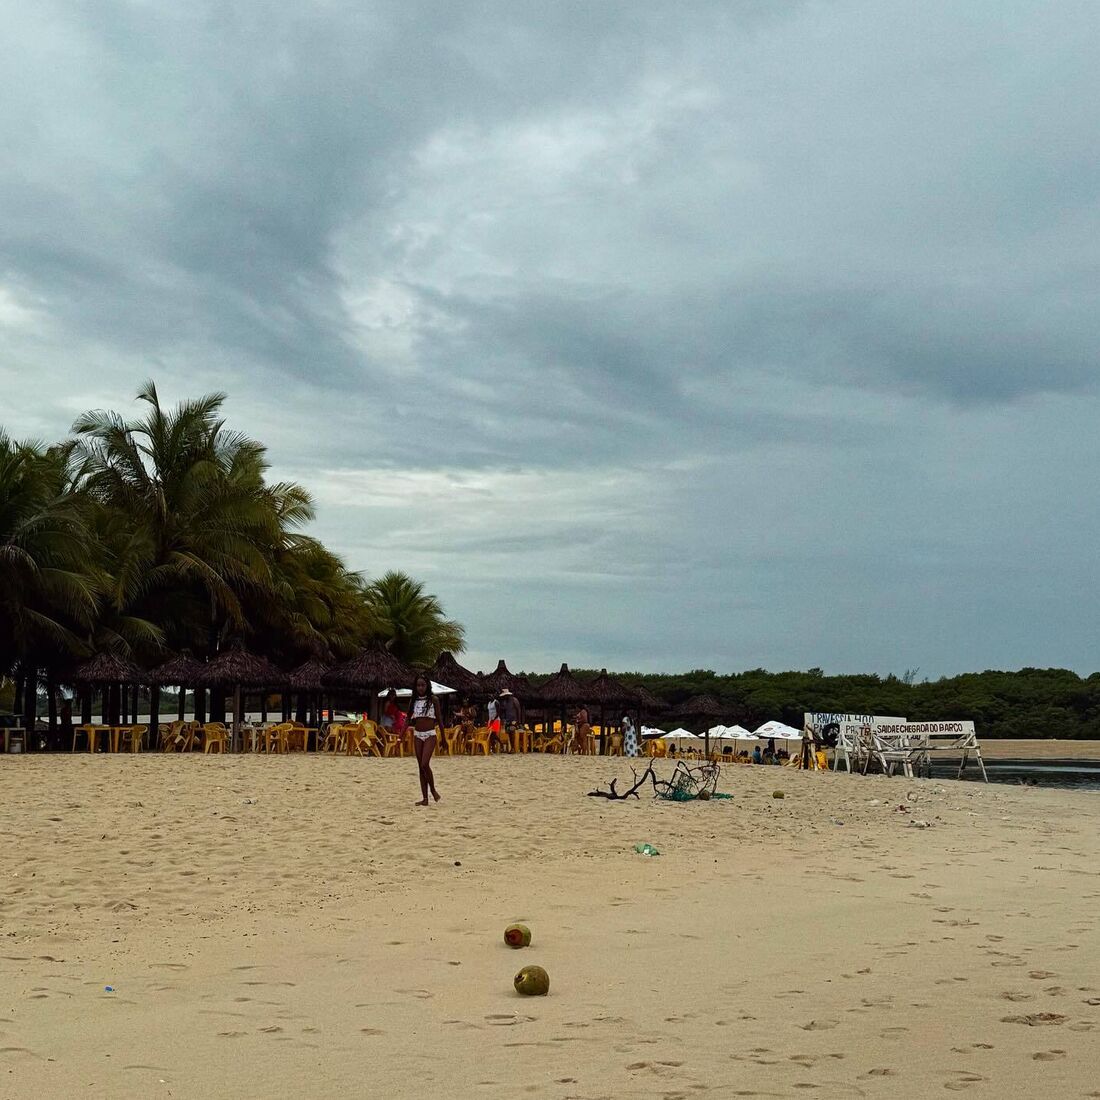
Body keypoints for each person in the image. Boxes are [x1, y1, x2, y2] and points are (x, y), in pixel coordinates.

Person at [408, 675, 443, 805]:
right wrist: (400, 735)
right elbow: (407, 719)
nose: (420, 688)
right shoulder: (414, 700)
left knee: (424, 764)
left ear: (427, 686)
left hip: (430, 735)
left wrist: (444, 739)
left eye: (423, 685)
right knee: (420, 767)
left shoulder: (434, 700)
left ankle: (433, 790)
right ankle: (425, 799)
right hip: (417, 735)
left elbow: (439, 720)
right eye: (418, 685)